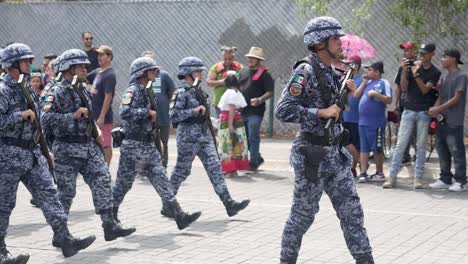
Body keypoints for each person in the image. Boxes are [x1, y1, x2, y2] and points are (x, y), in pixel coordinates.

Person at [275, 17, 373, 264]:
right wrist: (320, 112)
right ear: (320, 43)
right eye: (335, 39)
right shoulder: (304, 71)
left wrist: (345, 97)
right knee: (303, 216)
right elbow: (283, 109)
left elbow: (336, 110)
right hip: (312, 155)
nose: (340, 43)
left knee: (352, 213)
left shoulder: (332, 72)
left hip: (335, 155)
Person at [0, 43, 96, 262]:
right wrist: (19, 116)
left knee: (49, 195)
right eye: (24, 60)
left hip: (31, 154)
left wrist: (45, 151)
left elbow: (38, 123)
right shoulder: (3, 90)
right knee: (4, 204)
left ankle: (64, 238)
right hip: (8, 155)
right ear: (12, 64)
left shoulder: (25, 87)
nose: (29, 64)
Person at [41, 49, 136, 243]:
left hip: (88, 146)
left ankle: (109, 225)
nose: (86, 68)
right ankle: (61, 235)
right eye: (80, 66)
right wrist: (72, 116)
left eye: (85, 65)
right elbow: (45, 119)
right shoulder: (56, 91)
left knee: (102, 179)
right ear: (68, 68)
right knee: (66, 193)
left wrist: (96, 134)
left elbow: (89, 115)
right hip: (67, 149)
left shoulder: (83, 88)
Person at [113, 56, 201, 230]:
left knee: (162, 180)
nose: (155, 73)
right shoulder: (133, 90)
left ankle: (179, 215)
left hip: (148, 145)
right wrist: (146, 113)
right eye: (152, 70)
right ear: (141, 73)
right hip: (133, 146)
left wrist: (156, 142)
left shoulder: (147, 90)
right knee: (123, 185)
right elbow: (124, 111)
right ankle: (110, 218)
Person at [166, 56, 250, 218]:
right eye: (197, 71)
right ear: (187, 73)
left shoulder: (201, 93)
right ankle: (168, 203)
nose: (201, 74)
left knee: (215, 168)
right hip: (188, 137)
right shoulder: (180, 93)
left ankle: (229, 203)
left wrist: (213, 135)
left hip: (204, 137)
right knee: (182, 171)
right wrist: (193, 111)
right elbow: (173, 115)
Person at [383, 43, 441, 189]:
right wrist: (404, 70)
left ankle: (418, 178)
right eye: (420, 53)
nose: (422, 56)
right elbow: (403, 88)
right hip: (408, 111)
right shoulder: (409, 67)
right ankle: (392, 177)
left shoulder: (434, 72)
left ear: (432, 54)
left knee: (421, 146)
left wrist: (415, 74)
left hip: (423, 112)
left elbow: (425, 90)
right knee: (401, 144)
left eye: (425, 53)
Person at [429, 49, 467, 192]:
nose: (442, 59)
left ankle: (461, 181)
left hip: (454, 121)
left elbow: (457, 98)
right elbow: (441, 96)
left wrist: (438, 109)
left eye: (445, 57)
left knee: (456, 151)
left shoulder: (461, 76)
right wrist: (435, 108)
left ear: (453, 59)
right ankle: (445, 178)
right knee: (442, 149)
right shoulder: (445, 78)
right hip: (441, 120)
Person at [355, 62, 392, 182]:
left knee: (377, 148)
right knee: (364, 148)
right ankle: (363, 172)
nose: (366, 72)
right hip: (363, 122)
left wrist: (376, 94)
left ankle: (379, 173)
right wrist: (364, 82)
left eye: (369, 70)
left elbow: (388, 100)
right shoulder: (368, 83)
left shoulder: (383, 83)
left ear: (377, 72)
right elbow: (356, 96)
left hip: (376, 123)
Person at [239, 47, 274, 171]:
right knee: (245, 137)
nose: (250, 59)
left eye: (253, 58)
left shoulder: (265, 73)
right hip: (243, 109)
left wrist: (259, 99)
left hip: (256, 110)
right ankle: (257, 157)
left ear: (258, 60)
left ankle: (253, 162)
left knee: (253, 132)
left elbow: (269, 92)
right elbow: (238, 88)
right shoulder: (243, 72)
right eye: (249, 57)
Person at [142, 51, 177, 168]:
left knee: (163, 141)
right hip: (147, 116)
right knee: (147, 141)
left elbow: (171, 90)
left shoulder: (164, 75)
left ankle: (163, 164)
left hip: (162, 115)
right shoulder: (141, 77)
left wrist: (164, 100)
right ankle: (146, 166)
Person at [87, 45, 116, 165]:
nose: (98, 57)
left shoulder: (110, 75)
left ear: (109, 57)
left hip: (103, 117)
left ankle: (106, 169)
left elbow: (108, 96)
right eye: (98, 55)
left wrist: (102, 116)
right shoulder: (98, 72)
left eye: (102, 55)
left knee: (106, 144)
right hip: (94, 114)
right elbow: (84, 79)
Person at [217, 72, 249, 177]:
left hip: (228, 120)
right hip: (236, 120)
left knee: (228, 143)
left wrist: (230, 125)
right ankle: (233, 169)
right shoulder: (237, 92)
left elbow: (231, 108)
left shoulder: (230, 92)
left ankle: (230, 169)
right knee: (235, 144)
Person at [395, 41, 417, 165]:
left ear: (415, 52)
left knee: (415, 132)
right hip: (404, 104)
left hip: (416, 105)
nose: (405, 53)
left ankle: (418, 154)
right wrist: (396, 103)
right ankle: (405, 156)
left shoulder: (420, 66)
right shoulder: (402, 67)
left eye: (408, 50)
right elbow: (398, 86)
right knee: (403, 131)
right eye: (404, 50)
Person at [342, 55, 363, 177]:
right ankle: (356, 165)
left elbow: (358, 97)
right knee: (346, 141)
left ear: (356, 67)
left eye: (349, 65)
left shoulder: (360, 80)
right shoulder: (345, 79)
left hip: (355, 118)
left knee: (353, 143)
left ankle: (357, 164)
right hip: (345, 116)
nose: (346, 67)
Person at [207, 46, 243, 116]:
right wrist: (222, 82)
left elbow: (245, 80)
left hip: (236, 101)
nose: (227, 61)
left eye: (230, 59)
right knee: (223, 124)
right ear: (222, 58)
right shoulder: (216, 67)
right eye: (225, 59)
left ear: (233, 58)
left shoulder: (239, 67)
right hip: (220, 102)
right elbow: (209, 83)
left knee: (237, 124)